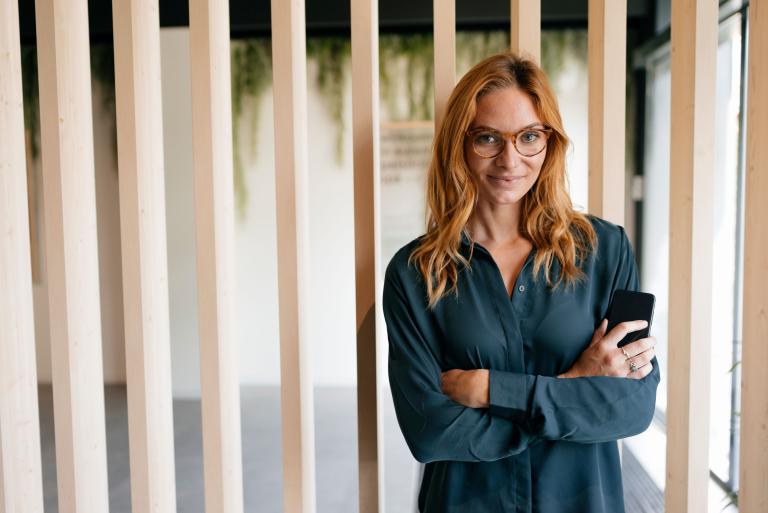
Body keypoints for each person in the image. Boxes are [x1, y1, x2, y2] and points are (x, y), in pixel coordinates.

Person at [382, 52, 660, 513]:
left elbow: (631, 407)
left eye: (529, 136)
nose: (510, 159)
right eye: (488, 138)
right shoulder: (416, 272)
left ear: (549, 143)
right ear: (460, 144)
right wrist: (574, 384)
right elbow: (431, 432)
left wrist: (493, 391)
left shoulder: (604, 250)